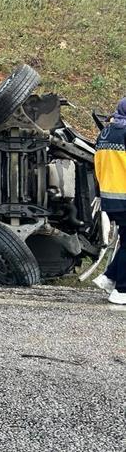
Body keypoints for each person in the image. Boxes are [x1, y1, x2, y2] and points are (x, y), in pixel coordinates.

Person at [93, 96, 126, 306]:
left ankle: (108, 277)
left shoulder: (105, 133)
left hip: (110, 197)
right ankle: (121, 290)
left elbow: (97, 164)